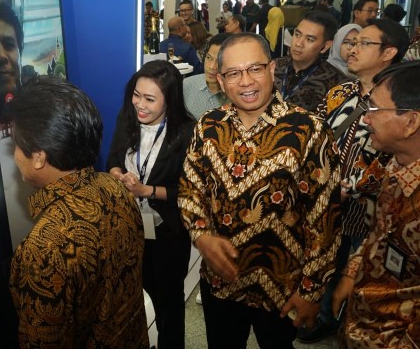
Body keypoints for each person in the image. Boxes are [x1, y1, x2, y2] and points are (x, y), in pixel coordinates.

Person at [178, 33, 342, 348]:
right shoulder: (208, 126)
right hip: (221, 281)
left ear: (272, 69)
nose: (246, 81)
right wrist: (200, 234)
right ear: (222, 81)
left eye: (255, 68)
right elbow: (190, 187)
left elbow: (325, 219)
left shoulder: (308, 130)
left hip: (282, 286)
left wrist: (311, 291)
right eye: (234, 73)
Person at [7, 76, 149, 347]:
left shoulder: (43, 250)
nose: (14, 154)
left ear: (38, 157)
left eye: (16, 144)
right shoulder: (115, 186)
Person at [299, 18, 411, 343]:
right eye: (351, 42)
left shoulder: (398, 102)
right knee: (324, 261)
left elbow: (401, 156)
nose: (352, 49)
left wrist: (355, 185)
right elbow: (314, 137)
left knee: (360, 270)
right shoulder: (339, 92)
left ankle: (343, 319)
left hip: (370, 213)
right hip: (325, 206)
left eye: (363, 43)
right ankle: (321, 315)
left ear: (389, 51)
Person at [331, 60, 420, 349]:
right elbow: (377, 235)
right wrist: (350, 273)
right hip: (362, 322)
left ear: (411, 122)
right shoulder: (394, 166)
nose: (365, 119)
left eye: (374, 110)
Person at [108, 60, 194, 348]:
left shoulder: (188, 134)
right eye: (136, 95)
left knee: (169, 303)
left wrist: (146, 189)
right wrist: (118, 174)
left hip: (168, 232)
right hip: (130, 228)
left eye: (149, 99)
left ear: (169, 100)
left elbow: (188, 192)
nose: (139, 105)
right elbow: (113, 160)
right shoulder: (127, 118)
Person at [274, 11, 348, 113]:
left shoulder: (336, 84)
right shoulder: (273, 66)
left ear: (325, 46)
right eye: (297, 34)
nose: (299, 43)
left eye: (309, 39)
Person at [183, 33, 233, 119]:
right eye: (209, 58)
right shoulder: (186, 86)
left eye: (220, 61)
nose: (212, 66)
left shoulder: (239, 91)